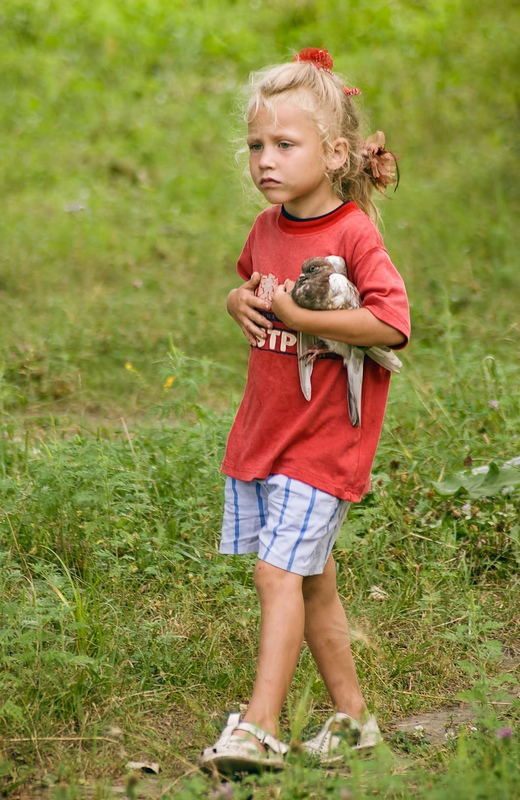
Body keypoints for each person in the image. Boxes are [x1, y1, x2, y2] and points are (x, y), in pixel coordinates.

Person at [200, 47, 410, 774]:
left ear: (335, 152)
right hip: (269, 434)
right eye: (258, 145)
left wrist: (307, 317)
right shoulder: (267, 227)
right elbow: (251, 285)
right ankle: (354, 723)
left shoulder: (353, 233)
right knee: (311, 576)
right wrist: (240, 302)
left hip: (325, 441)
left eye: (285, 145)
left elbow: (392, 324)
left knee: (275, 573)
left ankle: (259, 728)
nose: (265, 159)